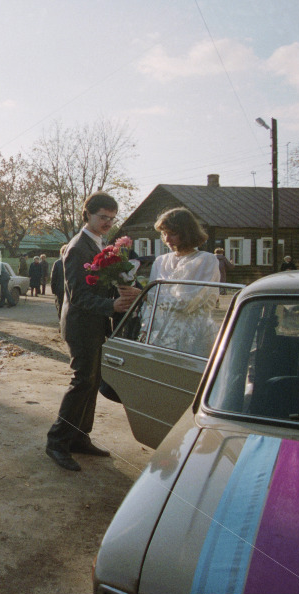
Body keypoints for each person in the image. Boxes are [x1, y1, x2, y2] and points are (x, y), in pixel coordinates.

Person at [46, 192, 138, 472]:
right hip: (80, 325)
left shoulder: (100, 243)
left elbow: (100, 284)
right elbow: (77, 296)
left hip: (95, 324)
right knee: (82, 381)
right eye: (103, 217)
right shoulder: (77, 247)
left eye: (112, 218)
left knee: (93, 380)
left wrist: (124, 290)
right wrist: (112, 305)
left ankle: (80, 437)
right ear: (87, 215)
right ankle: (57, 441)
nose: (108, 222)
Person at [146, 208, 221, 356]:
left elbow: (188, 302)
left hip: (193, 337)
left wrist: (146, 296)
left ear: (188, 233)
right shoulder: (160, 261)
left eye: (173, 234)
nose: (167, 240)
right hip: (159, 336)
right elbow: (149, 303)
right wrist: (145, 329)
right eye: (164, 234)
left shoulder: (206, 260)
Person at [50, 244, 67, 319]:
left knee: (60, 307)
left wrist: (54, 290)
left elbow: (53, 278)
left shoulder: (57, 263)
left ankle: (61, 323)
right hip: (70, 290)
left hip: (60, 289)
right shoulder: (73, 261)